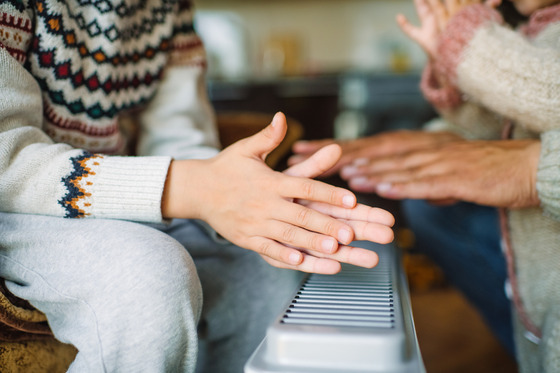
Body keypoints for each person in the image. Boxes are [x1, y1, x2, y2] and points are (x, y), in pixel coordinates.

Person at [0, 1, 397, 372]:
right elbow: (8, 162)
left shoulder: (168, 8)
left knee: (264, 268)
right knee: (147, 279)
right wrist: (194, 189)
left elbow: (177, 134)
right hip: (19, 205)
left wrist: (240, 196)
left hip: (116, 195)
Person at [290, 0, 560, 371]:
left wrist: (472, 46)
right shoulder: (544, 25)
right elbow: (517, 119)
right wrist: (456, 89)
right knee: (431, 208)